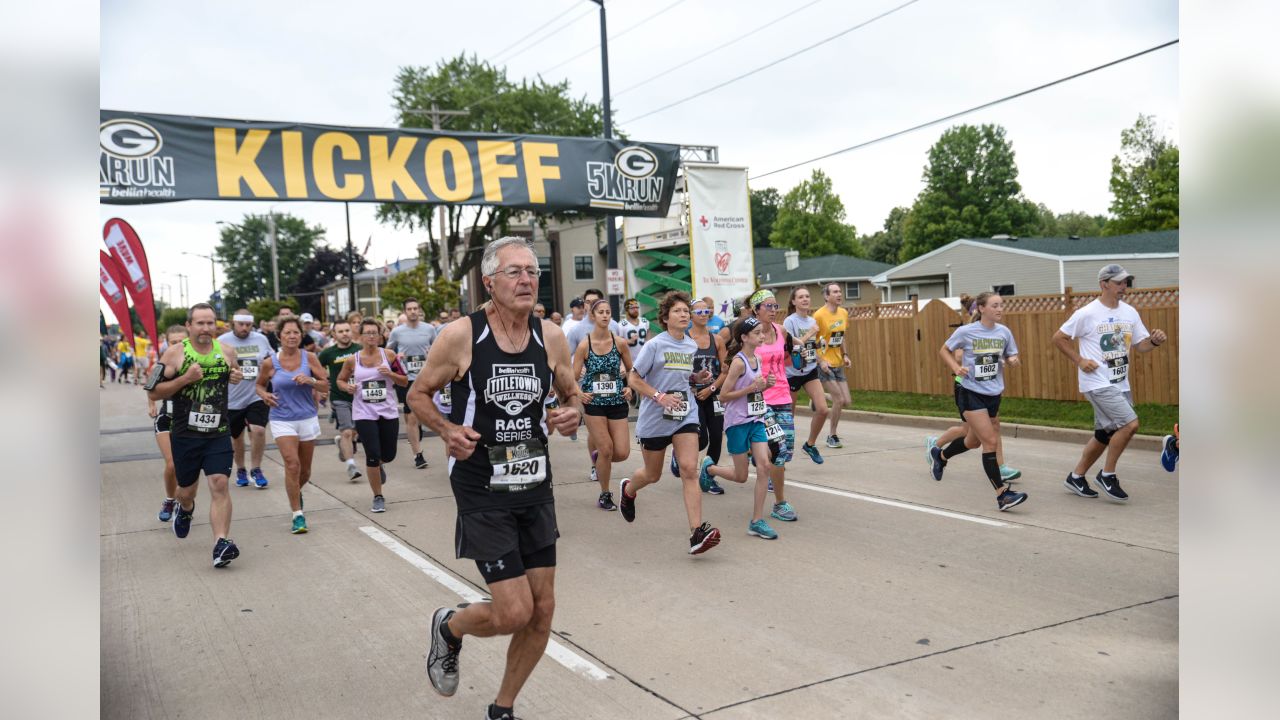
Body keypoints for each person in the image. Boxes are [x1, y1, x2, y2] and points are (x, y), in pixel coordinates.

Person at [409, 237, 582, 720]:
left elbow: (572, 393)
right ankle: (450, 628)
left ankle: (502, 708)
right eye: (514, 272)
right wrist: (445, 429)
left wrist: (570, 413)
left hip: (534, 480)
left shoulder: (551, 336)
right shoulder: (461, 335)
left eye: (532, 271)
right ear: (489, 282)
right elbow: (419, 395)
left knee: (542, 610)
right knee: (512, 613)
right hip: (480, 482)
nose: (527, 279)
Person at [1053, 264, 1168, 501]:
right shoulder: (1087, 313)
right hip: (1097, 382)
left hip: (1120, 383)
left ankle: (1076, 477)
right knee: (1130, 424)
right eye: (1118, 283)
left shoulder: (1129, 312)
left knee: (1104, 434)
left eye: (1126, 282)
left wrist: (1154, 342)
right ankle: (1108, 475)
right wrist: (1080, 360)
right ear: (1104, 284)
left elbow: (1141, 346)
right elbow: (1059, 338)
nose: (1123, 287)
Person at [620, 291, 722, 555]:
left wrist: (697, 378)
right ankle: (629, 490)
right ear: (665, 318)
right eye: (677, 311)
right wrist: (659, 396)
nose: (684, 315)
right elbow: (634, 378)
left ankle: (697, 533)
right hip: (655, 418)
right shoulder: (655, 345)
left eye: (686, 311)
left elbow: (683, 379)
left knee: (689, 469)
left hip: (684, 414)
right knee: (652, 475)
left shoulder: (690, 345)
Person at [145, 303, 245, 567]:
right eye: (200, 323)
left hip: (218, 432)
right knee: (186, 491)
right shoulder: (175, 354)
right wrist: (185, 379)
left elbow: (235, 372)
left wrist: (235, 376)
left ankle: (221, 543)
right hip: (185, 435)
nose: (205, 328)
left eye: (210, 323)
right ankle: (185, 509)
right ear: (189, 326)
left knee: (219, 483)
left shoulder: (227, 351)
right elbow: (154, 391)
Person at [926, 292, 1028, 511]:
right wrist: (955, 368)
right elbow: (944, 350)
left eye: (1001, 305)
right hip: (970, 391)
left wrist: (1012, 360)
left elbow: (1011, 356)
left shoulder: (1004, 332)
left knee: (972, 441)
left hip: (994, 393)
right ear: (981, 308)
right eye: (994, 305)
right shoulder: (966, 331)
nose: (1000, 309)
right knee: (989, 442)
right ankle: (1003, 495)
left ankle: (941, 455)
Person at [700, 317, 781, 539]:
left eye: (761, 332)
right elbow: (724, 396)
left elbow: (755, 389)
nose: (762, 336)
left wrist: (766, 386)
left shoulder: (757, 359)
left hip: (755, 419)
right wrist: (751, 388)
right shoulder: (738, 362)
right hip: (737, 422)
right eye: (756, 333)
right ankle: (709, 469)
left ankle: (757, 521)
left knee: (764, 466)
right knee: (741, 476)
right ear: (744, 337)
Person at [256, 317, 329, 533]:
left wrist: (311, 381)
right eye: (287, 333)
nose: (291, 336)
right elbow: (259, 385)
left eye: (295, 332)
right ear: (279, 336)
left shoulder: (310, 358)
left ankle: (296, 492)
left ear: (300, 335)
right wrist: (264, 395)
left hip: (307, 417)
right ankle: (297, 515)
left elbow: (326, 386)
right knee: (292, 464)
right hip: (281, 418)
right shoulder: (270, 362)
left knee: (305, 471)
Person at [338, 320, 408, 513]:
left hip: (387, 411)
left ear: (380, 336)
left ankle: (379, 466)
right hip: (363, 413)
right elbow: (340, 380)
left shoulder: (389, 355)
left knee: (389, 455)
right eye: (367, 333)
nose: (371, 336)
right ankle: (378, 496)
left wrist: (391, 374)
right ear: (360, 336)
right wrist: (347, 387)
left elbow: (404, 381)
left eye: (374, 333)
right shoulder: (353, 360)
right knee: (372, 455)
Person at [572, 298, 634, 511]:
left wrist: (630, 388)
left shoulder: (620, 343)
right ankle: (605, 494)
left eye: (608, 312)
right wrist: (580, 393)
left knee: (623, 452)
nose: (606, 315)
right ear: (593, 316)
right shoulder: (584, 345)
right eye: (601, 312)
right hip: (594, 403)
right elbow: (571, 378)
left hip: (617, 400)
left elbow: (632, 372)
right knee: (607, 448)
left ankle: (599, 459)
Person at [746, 289, 800, 523]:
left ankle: (757, 454)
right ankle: (780, 503)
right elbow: (738, 362)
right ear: (756, 310)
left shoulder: (782, 331)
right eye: (768, 306)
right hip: (761, 399)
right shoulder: (749, 334)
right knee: (777, 447)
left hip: (783, 397)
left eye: (775, 306)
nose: (773, 310)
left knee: (785, 451)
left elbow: (787, 357)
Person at [217, 309, 273, 489]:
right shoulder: (222, 341)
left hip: (256, 394)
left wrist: (269, 367)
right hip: (232, 398)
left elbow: (270, 358)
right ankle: (241, 469)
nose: (245, 328)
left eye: (248, 324)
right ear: (233, 323)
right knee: (236, 437)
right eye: (241, 324)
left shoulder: (261, 339)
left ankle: (256, 469)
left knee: (258, 431)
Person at [387, 298, 438, 470]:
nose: (413, 311)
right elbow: (388, 353)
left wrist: (433, 352)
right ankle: (418, 455)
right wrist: (396, 357)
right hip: (406, 379)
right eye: (409, 309)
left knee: (420, 415)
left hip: (425, 377)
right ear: (405, 311)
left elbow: (439, 348)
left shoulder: (429, 329)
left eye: (416, 308)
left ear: (420, 310)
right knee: (411, 416)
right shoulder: (397, 332)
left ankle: (418, 429)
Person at [783, 286, 829, 464]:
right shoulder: (790, 322)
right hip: (791, 373)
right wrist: (810, 333)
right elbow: (791, 348)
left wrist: (821, 360)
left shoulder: (812, 321)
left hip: (809, 370)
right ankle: (782, 452)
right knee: (789, 417)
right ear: (793, 301)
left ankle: (810, 445)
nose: (805, 299)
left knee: (823, 409)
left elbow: (811, 347)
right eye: (800, 297)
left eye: (807, 296)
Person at [688, 297, 728, 494]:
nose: (704, 315)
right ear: (690, 315)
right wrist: (694, 387)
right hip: (692, 395)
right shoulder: (685, 339)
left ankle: (709, 475)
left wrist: (711, 389)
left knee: (717, 437)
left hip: (713, 394)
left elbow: (725, 371)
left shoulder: (717, 339)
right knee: (701, 438)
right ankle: (682, 459)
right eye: (699, 311)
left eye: (707, 311)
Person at [150, 325, 188, 523]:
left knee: (187, 467)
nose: (178, 345)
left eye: (182, 341)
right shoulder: (163, 363)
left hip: (189, 420)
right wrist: (151, 405)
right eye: (174, 342)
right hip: (167, 418)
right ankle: (169, 499)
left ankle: (184, 502)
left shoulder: (196, 362)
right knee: (172, 464)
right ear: (167, 343)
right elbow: (150, 387)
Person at [318, 320, 364, 481]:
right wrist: (321, 386)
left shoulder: (360, 349)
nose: (344, 334)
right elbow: (317, 369)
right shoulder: (328, 353)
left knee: (355, 432)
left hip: (360, 397)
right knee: (346, 431)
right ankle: (351, 466)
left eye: (347, 330)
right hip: (339, 398)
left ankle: (345, 446)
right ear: (334, 335)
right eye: (340, 331)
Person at [813, 282, 852, 448]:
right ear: (826, 296)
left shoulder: (843, 313)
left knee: (847, 401)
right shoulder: (819, 316)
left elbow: (841, 336)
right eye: (835, 292)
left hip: (838, 362)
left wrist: (845, 355)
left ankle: (818, 399)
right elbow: (811, 342)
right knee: (839, 399)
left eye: (840, 292)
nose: (839, 294)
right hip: (824, 364)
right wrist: (820, 361)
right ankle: (832, 435)